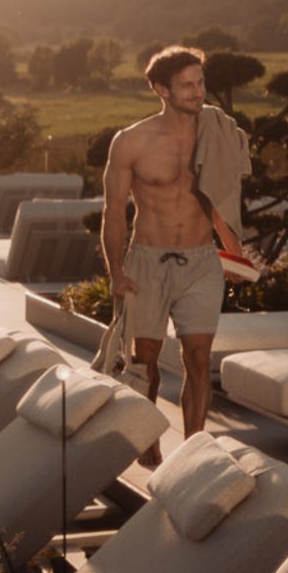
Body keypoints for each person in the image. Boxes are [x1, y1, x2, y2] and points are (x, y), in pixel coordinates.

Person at [101, 46, 248, 460]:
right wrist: (116, 273)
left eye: (200, 83)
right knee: (144, 360)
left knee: (199, 358)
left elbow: (220, 200)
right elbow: (113, 212)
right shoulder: (131, 142)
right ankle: (149, 446)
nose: (198, 92)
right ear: (161, 90)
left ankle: (193, 453)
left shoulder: (216, 132)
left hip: (201, 261)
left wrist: (235, 256)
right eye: (187, 85)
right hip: (147, 261)